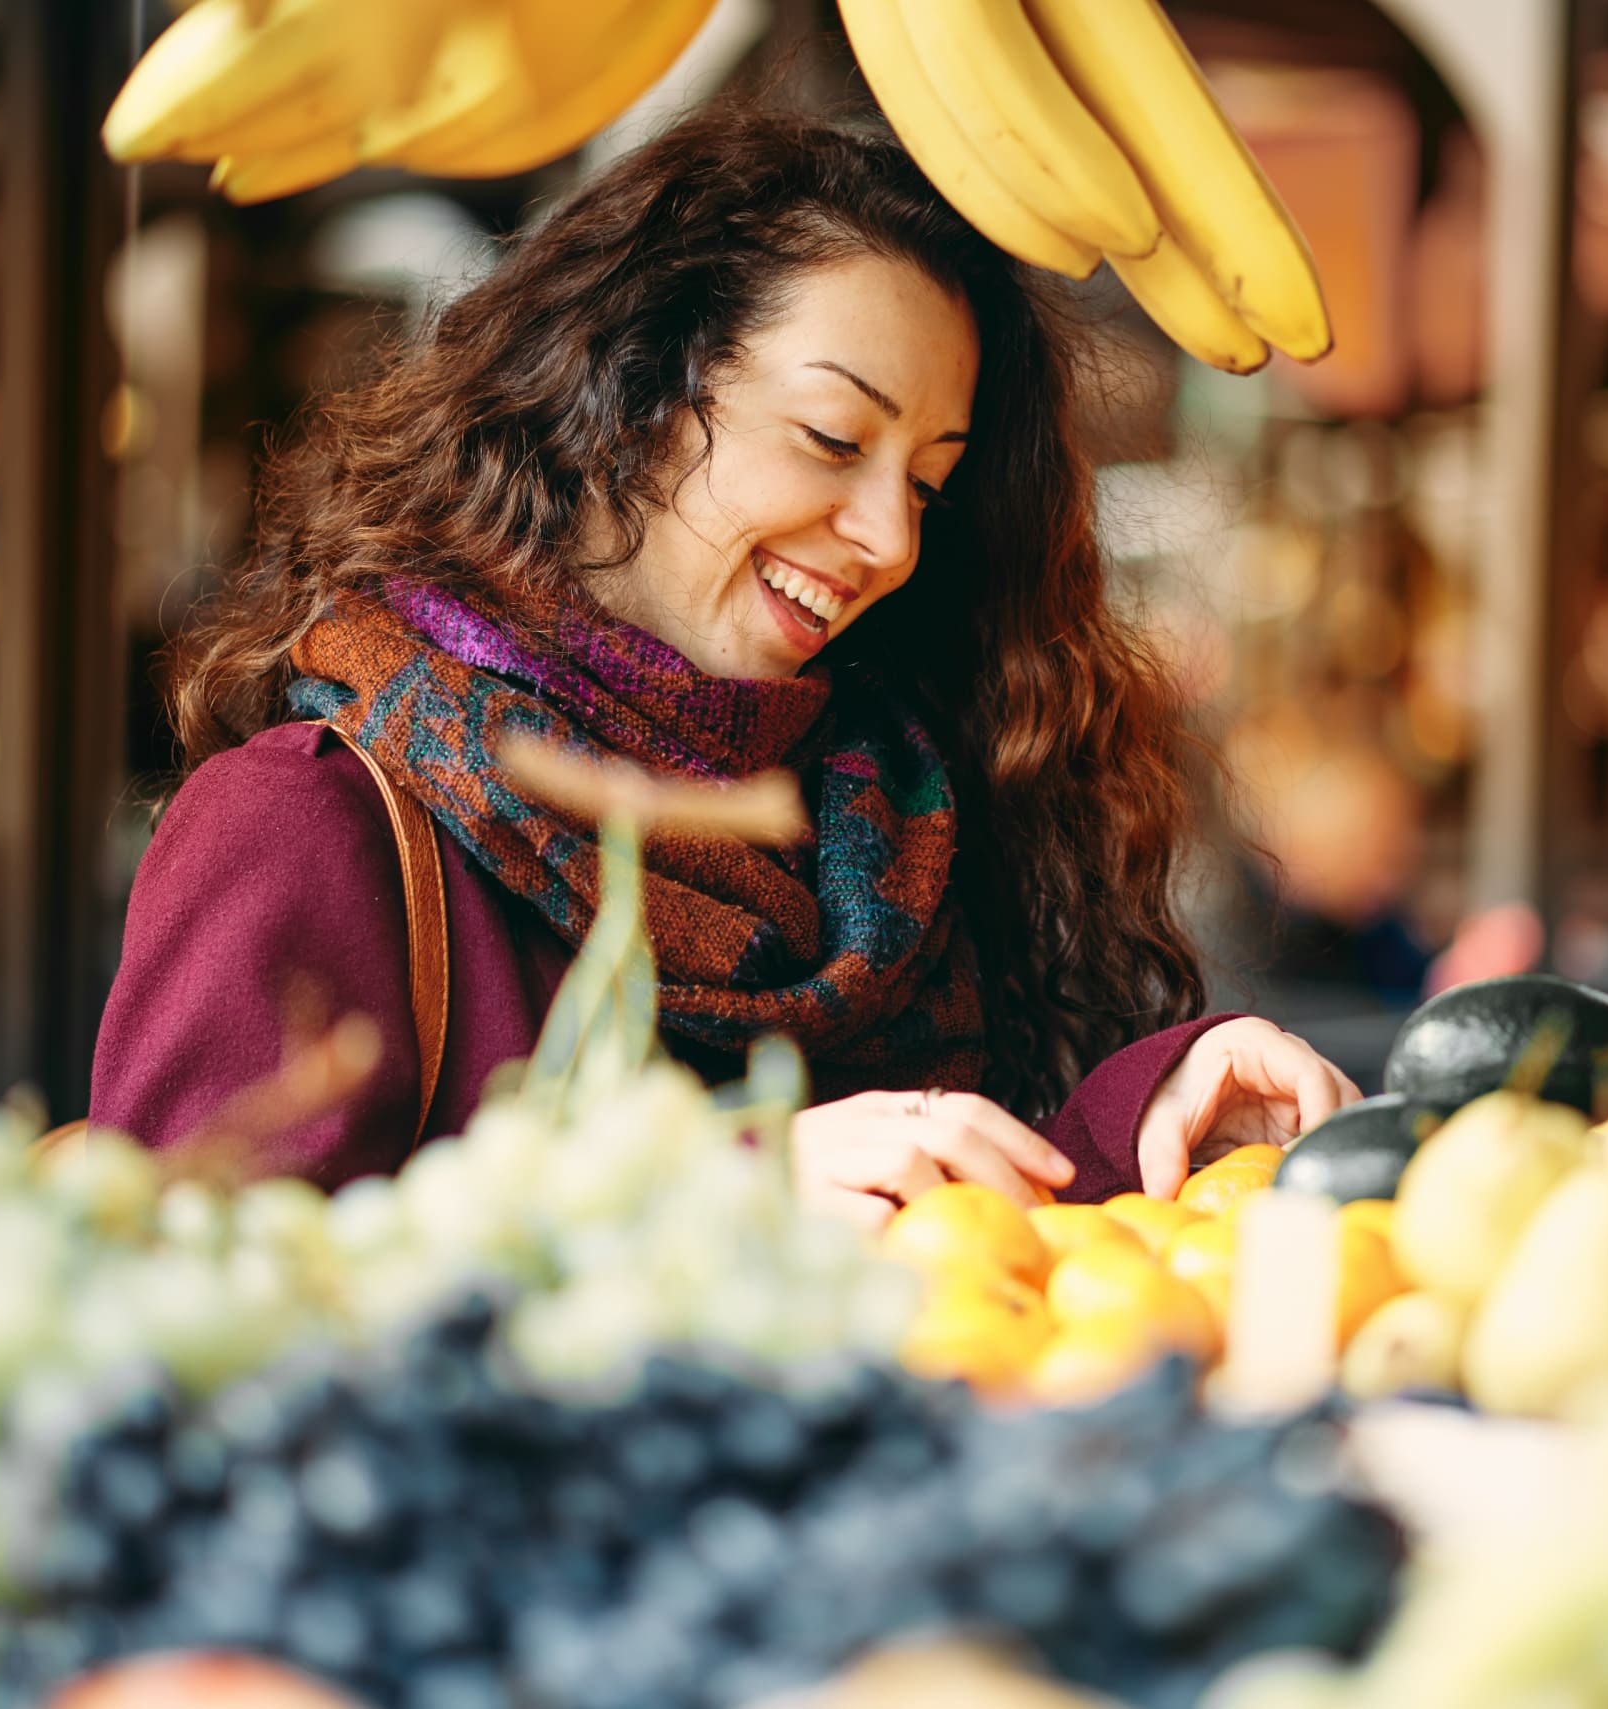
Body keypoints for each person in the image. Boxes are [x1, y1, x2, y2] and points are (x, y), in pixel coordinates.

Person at [90, 101, 1360, 1224]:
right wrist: (703, 1195)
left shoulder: (890, 816)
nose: (889, 538)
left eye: (928, 482)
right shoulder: (306, 823)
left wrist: (1148, 1117)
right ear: (630, 394)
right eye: (829, 437)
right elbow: (184, 1328)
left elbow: (935, 1233)